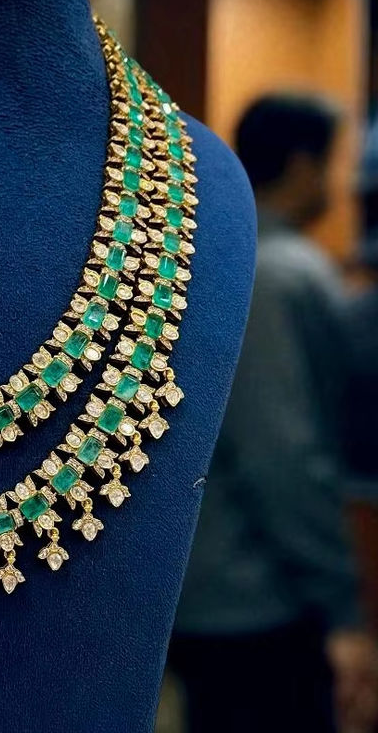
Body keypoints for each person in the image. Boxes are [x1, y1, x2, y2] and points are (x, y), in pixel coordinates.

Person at [170, 94, 378, 733]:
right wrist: (342, 608)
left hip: (212, 587)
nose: (344, 183)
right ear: (302, 165)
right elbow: (283, 453)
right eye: (335, 162)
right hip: (256, 600)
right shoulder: (278, 271)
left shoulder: (213, 251)